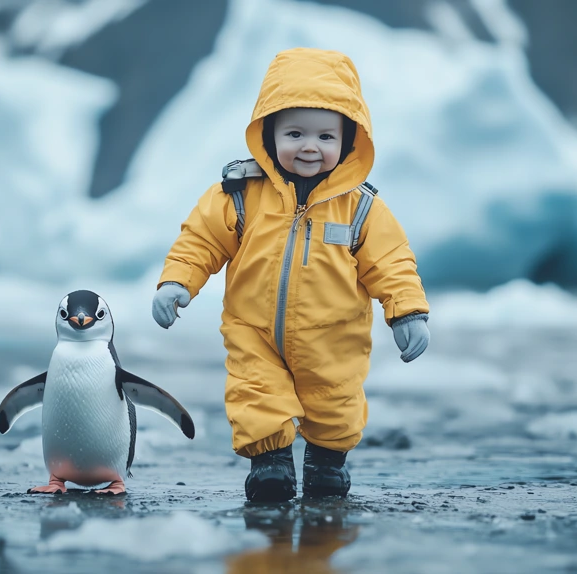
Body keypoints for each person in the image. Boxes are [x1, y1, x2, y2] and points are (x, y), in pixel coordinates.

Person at [152, 47, 430, 502]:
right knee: (256, 395)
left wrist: (407, 312)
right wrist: (177, 282)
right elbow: (200, 240)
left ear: (348, 140)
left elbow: (392, 261)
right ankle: (271, 465)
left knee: (336, 405)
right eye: (295, 132)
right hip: (254, 330)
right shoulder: (240, 194)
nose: (309, 147)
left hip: (334, 338)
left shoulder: (361, 207)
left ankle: (326, 464)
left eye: (325, 136)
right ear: (268, 133)